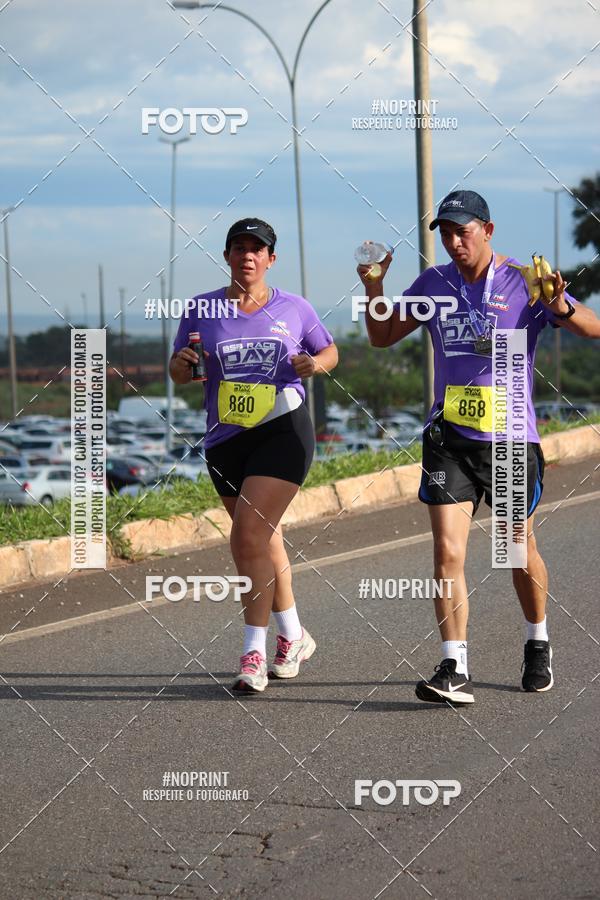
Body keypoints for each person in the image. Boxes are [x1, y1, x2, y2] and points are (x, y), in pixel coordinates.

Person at [358, 190, 600, 705]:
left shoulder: (522, 280)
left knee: (516, 551)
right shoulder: (434, 283)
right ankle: (454, 665)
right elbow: (382, 336)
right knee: (447, 552)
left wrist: (557, 303)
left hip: (511, 438)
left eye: (462, 231)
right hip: (449, 438)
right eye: (445, 233)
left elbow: (593, 327)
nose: (453, 241)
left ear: (488, 229)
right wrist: (374, 286)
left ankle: (537, 641)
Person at [170, 217, 338, 693]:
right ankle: (294, 635)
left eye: (256, 249)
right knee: (264, 541)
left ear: (270, 259)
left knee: (246, 538)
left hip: (283, 430)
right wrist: (180, 366)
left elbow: (329, 352)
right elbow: (180, 371)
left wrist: (315, 364)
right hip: (226, 439)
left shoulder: (294, 307)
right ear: (226, 257)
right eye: (238, 248)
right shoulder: (202, 309)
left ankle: (253, 652)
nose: (247, 255)